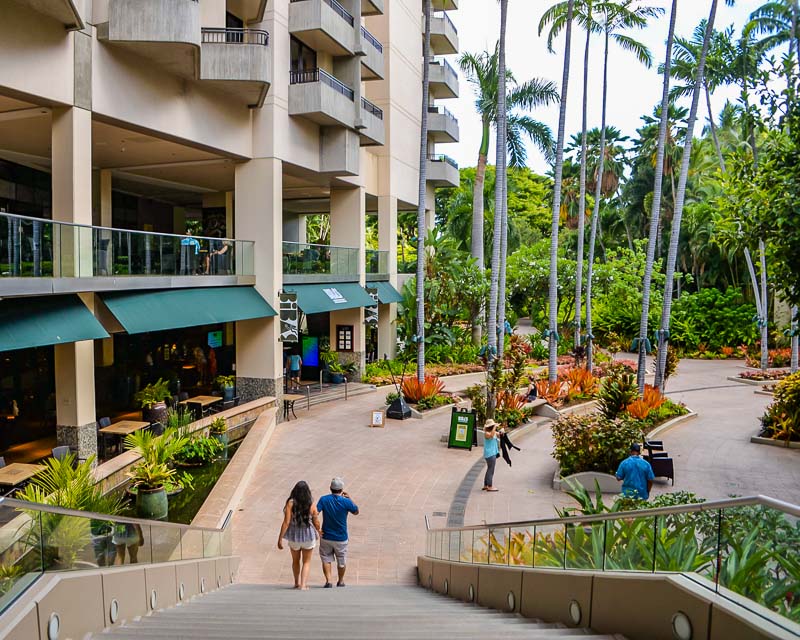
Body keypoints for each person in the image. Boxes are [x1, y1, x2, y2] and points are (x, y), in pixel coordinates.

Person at [277, 481, 321, 590]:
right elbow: (316, 521)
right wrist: (319, 530)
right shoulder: (311, 503)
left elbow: (286, 522)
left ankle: (296, 583)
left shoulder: (290, 503)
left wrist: (280, 539)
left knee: (295, 561)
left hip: (294, 536)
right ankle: (303, 585)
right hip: (308, 536)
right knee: (306, 562)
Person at [316, 477, 359, 588]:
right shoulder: (346, 502)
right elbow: (356, 511)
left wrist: (317, 529)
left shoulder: (324, 500)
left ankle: (329, 581)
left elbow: (315, 513)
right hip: (341, 537)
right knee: (342, 560)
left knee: (326, 558)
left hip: (326, 536)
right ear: (342, 489)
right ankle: (340, 581)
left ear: (330, 488)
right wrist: (350, 499)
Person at [482, 419, 504, 492]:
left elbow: (499, 435)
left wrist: (501, 431)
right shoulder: (487, 433)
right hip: (490, 454)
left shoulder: (493, 432)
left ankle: (485, 485)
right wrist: (495, 426)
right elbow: (491, 436)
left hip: (492, 453)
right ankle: (490, 486)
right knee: (491, 470)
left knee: (489, 469)